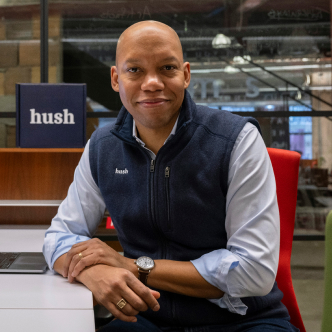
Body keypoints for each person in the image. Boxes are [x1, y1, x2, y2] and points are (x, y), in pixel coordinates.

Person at [43, 21, 299, 332]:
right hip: (148, 317)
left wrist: (131, 267)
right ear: (115, 78)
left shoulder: (237, 140)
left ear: (186, 74)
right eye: (134, 70)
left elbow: (254, 271)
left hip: (244, 320)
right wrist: (91, 273)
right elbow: (58, 237)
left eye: (167, 68)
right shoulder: (102, 147)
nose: (151, 82)